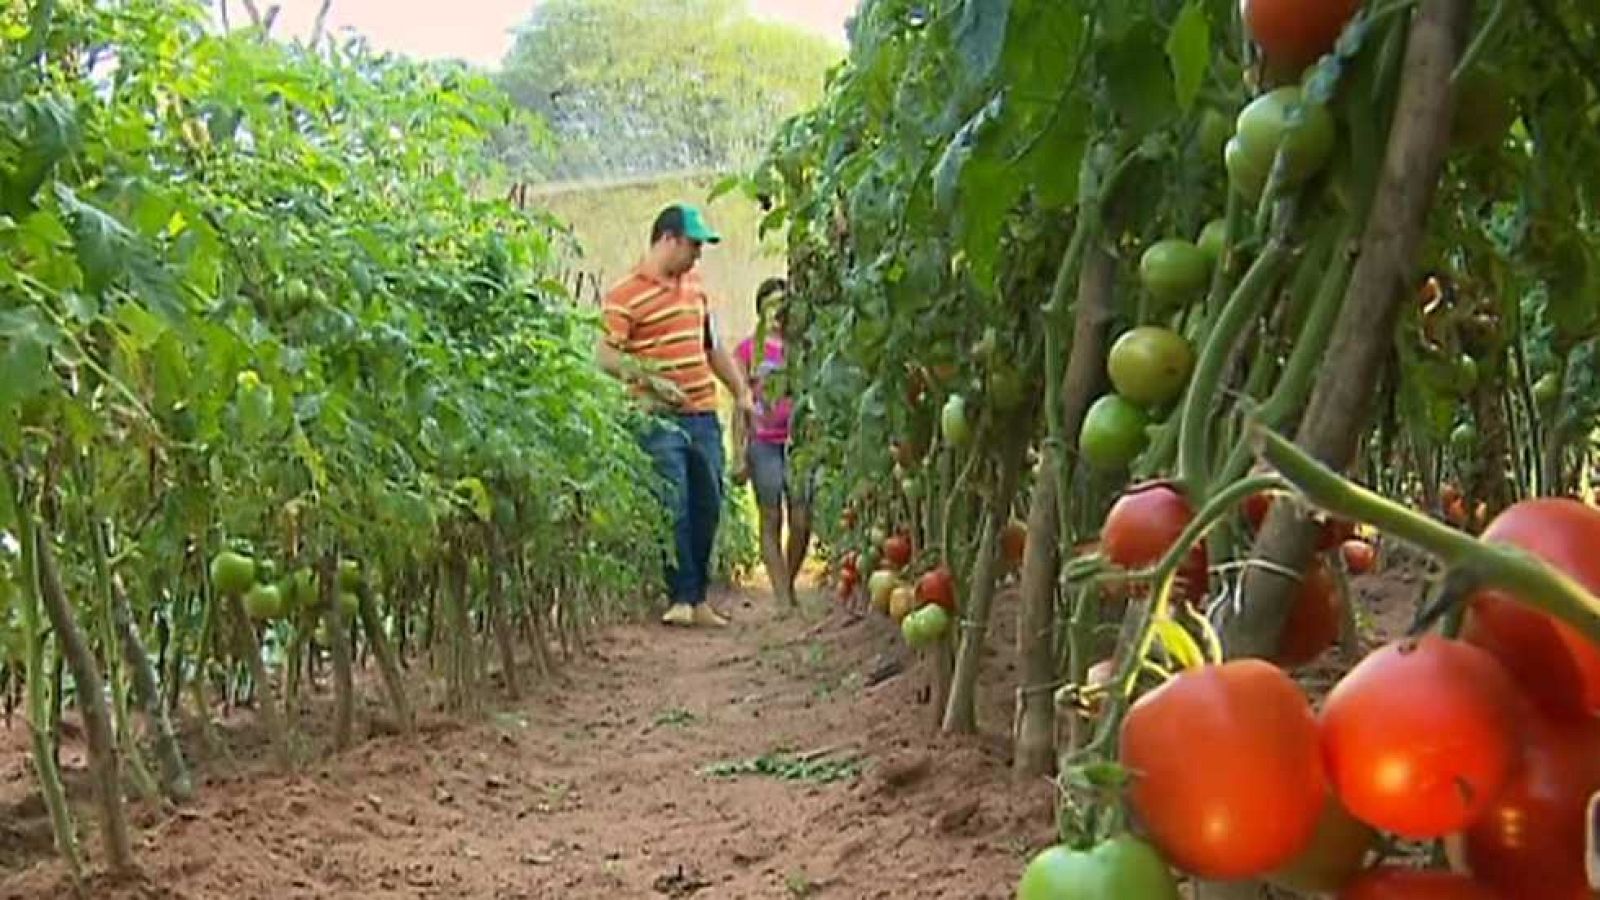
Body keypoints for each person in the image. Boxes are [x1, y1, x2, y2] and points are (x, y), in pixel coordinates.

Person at [597, 203, 754, 628]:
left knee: (710, 501)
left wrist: (740, 391)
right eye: (693, 246)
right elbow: (606, 354)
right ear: (668, 239)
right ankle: (682, 597)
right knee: (674, 503)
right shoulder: (624, 295)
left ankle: (697, 598)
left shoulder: (697, 288)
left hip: (703, 412)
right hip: (657, 419)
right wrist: (646, 377)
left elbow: (713, 346)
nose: (697, 257)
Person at [732, 277, 812, 608]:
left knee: (802, 519)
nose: (779, 312)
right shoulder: (748, 350)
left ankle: (787, 583)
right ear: (760, 310)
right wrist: (738, 453)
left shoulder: (804, 349)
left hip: (798, 444)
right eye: (772, 305)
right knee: (770, 518)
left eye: (784, 304)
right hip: (763, 442)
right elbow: (740, 404)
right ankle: (782, 601)